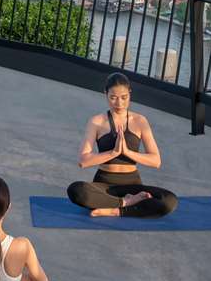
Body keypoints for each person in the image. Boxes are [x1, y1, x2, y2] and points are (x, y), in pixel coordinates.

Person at [67, 72, 178, 218]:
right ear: (105, 94)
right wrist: (113, 153)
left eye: (124, 98)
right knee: (76, 190)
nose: (119, 103)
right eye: (113, 97)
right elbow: (83, 161)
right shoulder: (96, 121)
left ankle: (116, 209)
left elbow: (156, 161)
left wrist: (127, 152)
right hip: (104, 184)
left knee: (169, 200)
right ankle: (125, 203)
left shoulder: (140, 121)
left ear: (130, 94)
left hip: (133, 184)